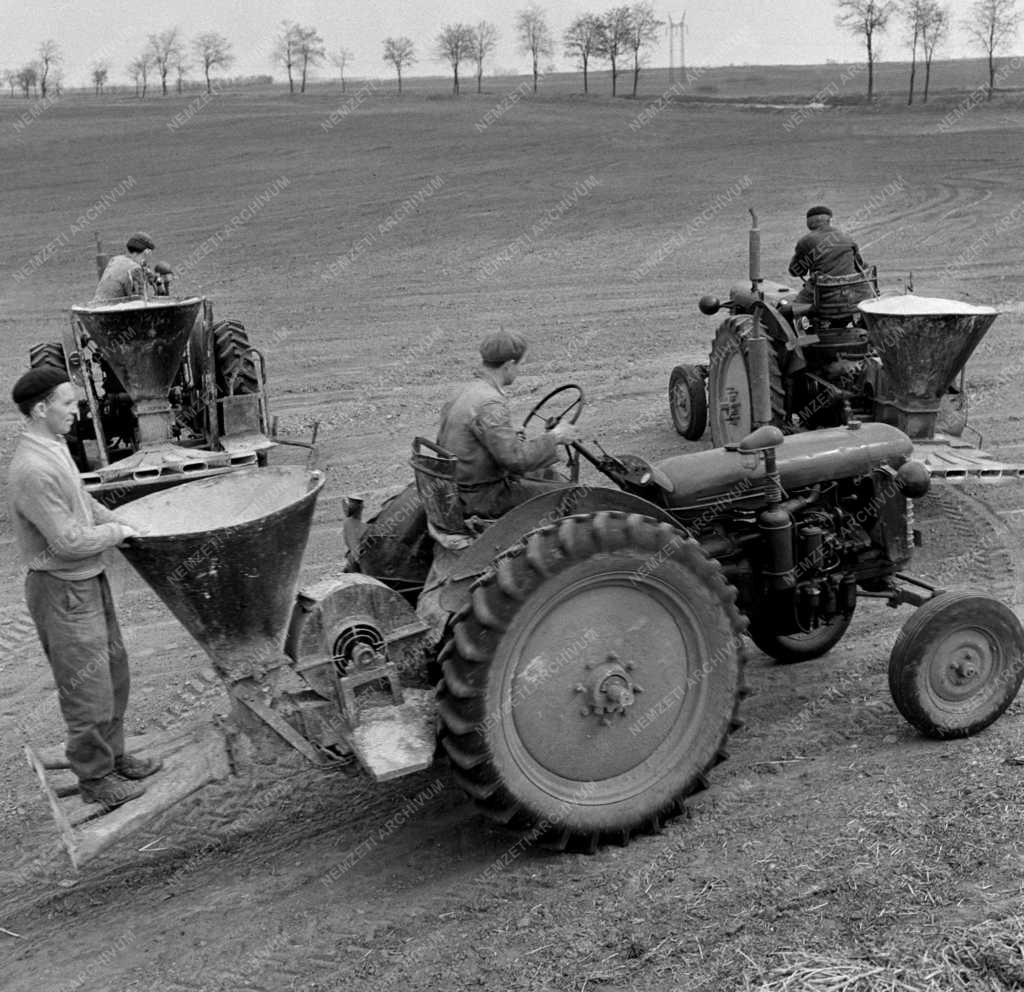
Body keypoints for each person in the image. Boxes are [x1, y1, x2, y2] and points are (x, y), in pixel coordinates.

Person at [8, 367, 162, 809]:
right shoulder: (32, 468)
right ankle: (95, 779)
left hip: (87, 579)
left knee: (114, 677)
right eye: (68, 404)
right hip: (62, 589)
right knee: (86, 689)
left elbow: (83, 502)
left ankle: (114, 758)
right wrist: (118, 535)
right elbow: (68, 541)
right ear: (40, 409)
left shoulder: (53, 447)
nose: (77, 412)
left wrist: (117, 519)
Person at [436, 330, 579, 519]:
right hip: (484, 496)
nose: (519, 371)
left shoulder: (466, 390)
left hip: (460, 485)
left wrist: (511, 437)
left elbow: (474, 439)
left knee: (544, 474)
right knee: (573, 497)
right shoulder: (490, 402)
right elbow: (516, 461)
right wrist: (556, 437)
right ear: (509, 365)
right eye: (520, 365)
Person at [788, 206, 867, 305]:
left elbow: (795, 271)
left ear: (809, 223)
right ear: (829, 220)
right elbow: (860, 265)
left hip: (823, 294)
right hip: (851, 292)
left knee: (789, 308)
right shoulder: (846, 237)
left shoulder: (805, 241)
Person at [92, 232, 155, 303]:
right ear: (147, 252)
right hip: (113, 309)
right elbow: (140, 302)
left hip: (98, 305)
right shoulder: (135, 269)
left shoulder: (115, 260)